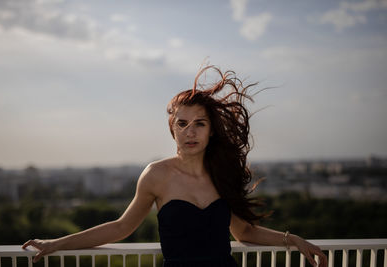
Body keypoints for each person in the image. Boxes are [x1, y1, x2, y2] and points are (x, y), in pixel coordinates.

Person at [22, 65, 327, 267]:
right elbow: (121, 227)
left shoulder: (222, 173)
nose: (190, 132)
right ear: (173, 129)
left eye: (199, 124)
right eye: (182, 124)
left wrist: (293, 240)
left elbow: (244, 231)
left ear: (210, 130)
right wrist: (55, 243)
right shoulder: (156, 175)